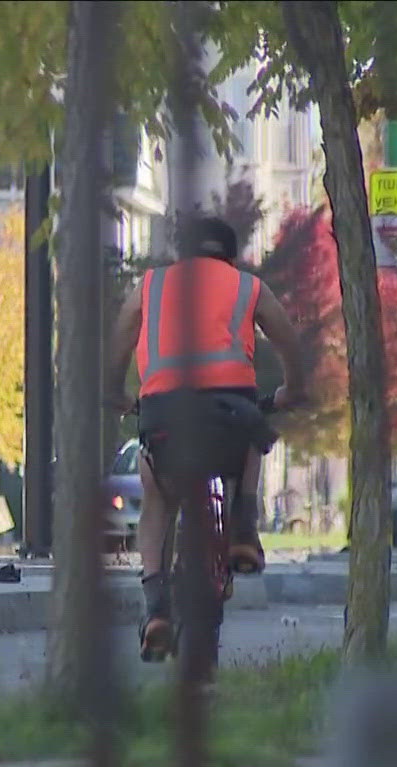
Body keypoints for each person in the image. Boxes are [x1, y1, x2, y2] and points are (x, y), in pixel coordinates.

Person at [105, 216, 309, 662]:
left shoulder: (152, 286)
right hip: (229, 414)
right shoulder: (246, 287)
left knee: (157, 497)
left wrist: (115, 392)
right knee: (253, 430)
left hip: (164, 416)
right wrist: (293, 389)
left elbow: (119, 342)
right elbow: (289, 341)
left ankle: (157, 608)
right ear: (231, 258)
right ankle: (242, 527)